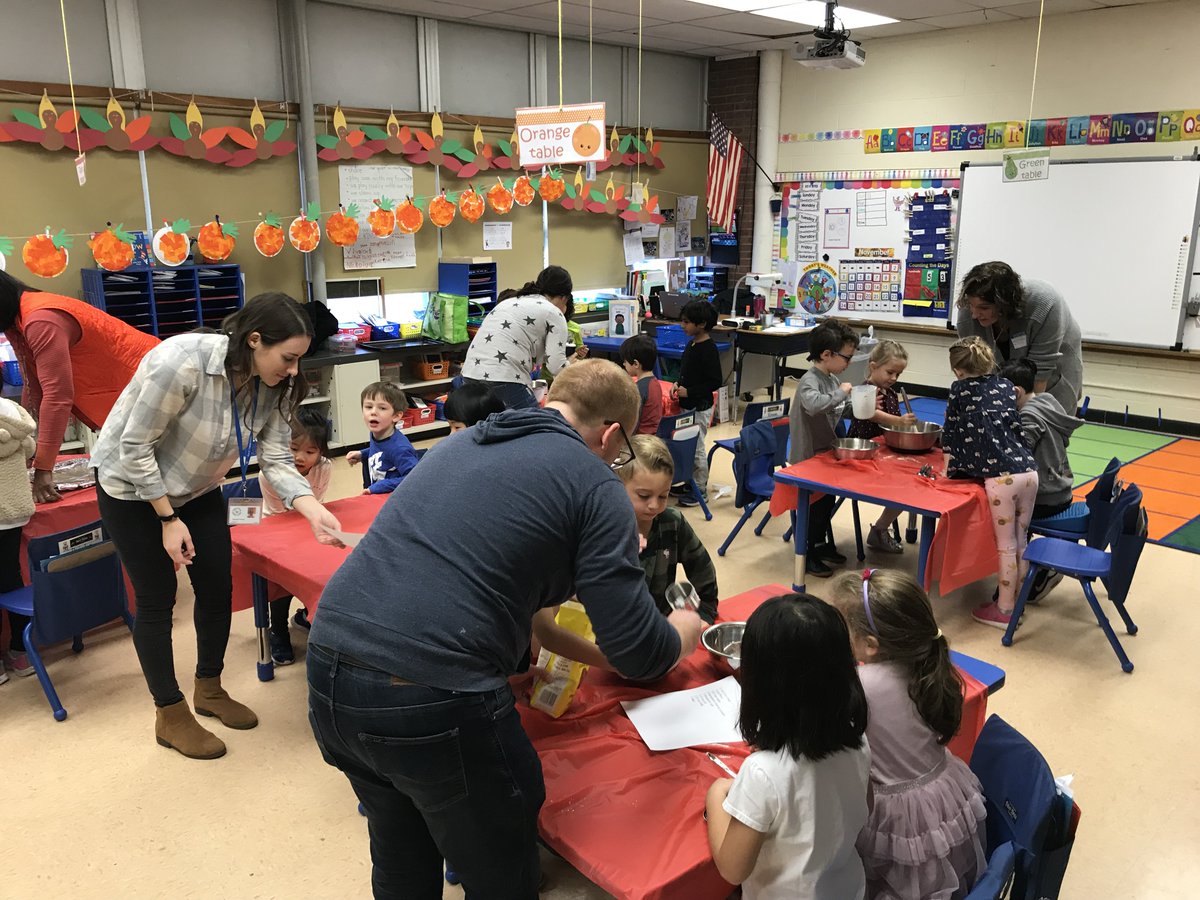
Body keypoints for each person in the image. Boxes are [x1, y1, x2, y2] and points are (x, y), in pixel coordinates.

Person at [306, 359, 702, 900]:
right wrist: (680, 629)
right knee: (502, 864)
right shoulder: (594, 482)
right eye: (622, 448)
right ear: (611, 434)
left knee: (399, 846)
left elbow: (498, 578)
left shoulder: (457, 447)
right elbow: (640, 652)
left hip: (330, 663)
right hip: (431, 688)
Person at [91, 293, 343, 760]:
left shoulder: (271, 383)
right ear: (253, 341)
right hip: (133, 488)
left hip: (199, 488)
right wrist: (167, 519)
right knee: (156, 599)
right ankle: (170, 713)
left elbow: (275, 456)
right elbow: (134, 447)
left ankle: (209, 687)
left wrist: (311, 508)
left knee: (217, 587)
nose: (292, 370)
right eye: (287, 358)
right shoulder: (181, 363)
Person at [828, 569, 987, 900]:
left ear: (870, 646)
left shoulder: (862, 687)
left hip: (902, 819)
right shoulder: (923, 664)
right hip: (944, 797)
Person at [705, 593, 871, 899]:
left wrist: (716, 795)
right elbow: (864, 808)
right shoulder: (858, 739)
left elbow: (732, 869)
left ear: (760, 684)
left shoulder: (762, 773)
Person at [0, 269, 158, 504]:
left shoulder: (41, 319)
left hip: (151, 384)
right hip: (130, 394)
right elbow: (34, 388)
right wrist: (26, 444)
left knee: (150, 478)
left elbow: (57, 395)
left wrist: (44, 468)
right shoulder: (16, 322)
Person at [943, 337, 1039, 630]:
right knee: (1022, 543)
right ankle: (1017, 602)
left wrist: (951, 466)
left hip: (1002, 479)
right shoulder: (1007, 387)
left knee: (1006, 547)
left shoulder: (959, 390)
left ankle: (1005, 609)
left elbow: (951, 433)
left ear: (958, 371)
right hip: (1029, 472)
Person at [956, 261, 1083, 415]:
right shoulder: (967, 314)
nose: (975, 314)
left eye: (984, 308)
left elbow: (1039, 377)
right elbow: (975, 372)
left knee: (1043, 428)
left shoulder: (1045, 304)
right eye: (971, 305)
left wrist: (1022, 422)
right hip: (1005, 377)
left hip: (1052, 378)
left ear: (1004, 305)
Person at [261, 407, 334, 666]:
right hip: (278, 530)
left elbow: (318, 502)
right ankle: (278, 630)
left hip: (307, 527)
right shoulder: (269, 474)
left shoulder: (324, 468)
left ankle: (307, 613)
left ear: (321, 452)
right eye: (293, 449)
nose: (300, 458)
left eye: (310, 452)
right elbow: (281, 516)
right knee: (280, 584)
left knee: (325, 568)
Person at [461, 265, 587, 409]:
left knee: (486, 428)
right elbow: (556, 367)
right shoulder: (553, 312)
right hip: (505, 377)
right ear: (564, 297)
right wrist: (579, 374)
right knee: (533, 424)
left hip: (470, 374)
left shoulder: (510, 302)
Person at [789, 319, 860, 577]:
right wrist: (842, 393)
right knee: (812, 508)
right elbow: (815, 405)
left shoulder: (830, 379)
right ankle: (805, 554)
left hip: (824, 457)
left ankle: (818, 545)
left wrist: (860, 406)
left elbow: (838, 408)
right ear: (827, 354)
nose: (848, 363)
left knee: (825, 502)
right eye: (846, 358)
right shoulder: (810, 380)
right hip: (807, 459)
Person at [847, 339, 917, 556]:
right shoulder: (867, 390)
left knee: (915, 482)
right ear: (873, 367)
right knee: (908, 487)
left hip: (882, 454)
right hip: (862, 456)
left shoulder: (891, 393)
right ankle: (879, 530)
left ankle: (880, 528)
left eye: (899, 374)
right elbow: (871, 413)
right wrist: (899, 422)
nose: (894, 378)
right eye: (890, 372)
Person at [672, 300, 723, 507]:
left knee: (697, 447)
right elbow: (688, 371)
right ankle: (690, 481)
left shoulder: (708, 349)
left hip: (699, 405)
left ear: (701, 324)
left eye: (686, 322)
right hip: (688, 402)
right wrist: (678, 384)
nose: (682, 326)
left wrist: (690, 391)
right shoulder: (692, 343)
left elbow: (715, 382)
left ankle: (700, 489)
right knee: (687, 443)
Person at [0, 397, 37, 681]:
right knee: (12, 578)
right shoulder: (13, 411)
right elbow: (30, 447)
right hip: (14, 511)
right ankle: (21, 652)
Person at [345, 382, 418, 494]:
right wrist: (362, 454)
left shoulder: (400, 448)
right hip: (376, 495)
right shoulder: (377, 434)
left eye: (382, 408)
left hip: (391, 501)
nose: (373, 412)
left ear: (396, 416)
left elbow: (414, 478)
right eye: (368, 407)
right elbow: (383, 451)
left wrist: (379, 487)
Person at [620, 334, 663, 435]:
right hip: (652, 437)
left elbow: (632, 423)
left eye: (625, 361)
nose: (623, 364)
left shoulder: (639, 388)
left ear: (636, 364)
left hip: (640, 440)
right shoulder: (655, 382)